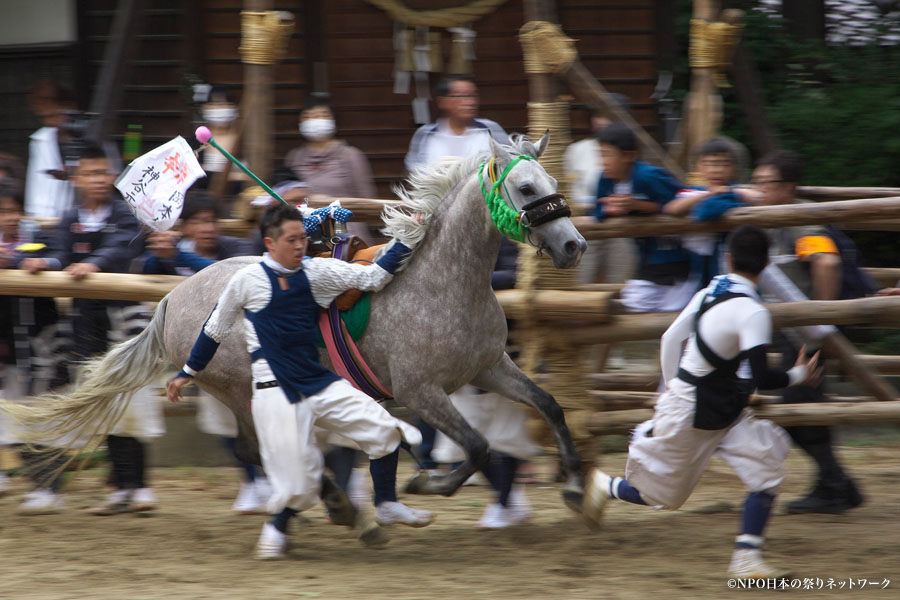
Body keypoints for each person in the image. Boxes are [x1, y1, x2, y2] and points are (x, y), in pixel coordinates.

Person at [166, 203, 425, 560]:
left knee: (385, 429)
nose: (300, 245)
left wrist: (408, 236)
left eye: (303, 238)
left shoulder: (317, 271)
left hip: (320, 384)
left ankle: (387, 503)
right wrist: (187, 374)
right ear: (271, 243)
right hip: (275, 393)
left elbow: (373, 278)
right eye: (292, 240)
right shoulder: (246, 280)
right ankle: (274, 529)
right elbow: (214, 329)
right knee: (298, 487)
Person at [583, 225, 822, 579]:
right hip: (697, 407)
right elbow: (761, 376)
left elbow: (669, 339)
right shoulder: (753, 312)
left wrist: (670, 387)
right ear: (767, 264)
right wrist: (800, 375)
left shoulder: (710, 291)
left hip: (718, 403)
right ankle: (605, 485)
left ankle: (746, 559)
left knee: (766, 471)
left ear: (728, 258)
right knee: (663, 497)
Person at [22, 144, 159, 515]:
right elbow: (62, 255)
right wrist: (44, 262)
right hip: (85, 323)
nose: (98, 180)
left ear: (112, 176)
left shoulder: (125, 214)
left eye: (103, 173)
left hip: (123, 319)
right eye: (90, 173)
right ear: (77, 178)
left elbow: (122, 248)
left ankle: (140, 485)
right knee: (103, 403)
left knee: (130, 399)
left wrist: (94, 265)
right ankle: (120, 488)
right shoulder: (69, 218)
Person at [141, 191, 272, 513]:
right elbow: (146, 269)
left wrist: (179, 257)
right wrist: (159, 254)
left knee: (257, 416)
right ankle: (251, 481)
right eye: (198, 221)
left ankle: (267, 478)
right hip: (201, 357)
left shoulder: (234, 250)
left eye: (211, 220)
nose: (207, 228)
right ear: (184, 227)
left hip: (244, 352)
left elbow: (223, 274)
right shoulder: (174, 252)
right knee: (220, 421)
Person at [752, 150, 864, 515]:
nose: (758, 189)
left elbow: (827, 262)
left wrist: (819, 323)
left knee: (796, 409)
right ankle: (835, 484)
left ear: (786, 186)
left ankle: (836, 485)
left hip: (804, 336)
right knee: (804, 408)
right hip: (793, 333)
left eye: (764, 183)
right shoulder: (776, 218)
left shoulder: (802, 222)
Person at [431, 239, 540, 529]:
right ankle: (508, 498)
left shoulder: (511, 236)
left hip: (505, 347)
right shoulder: (449, 236)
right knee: (461, 441)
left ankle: (503, 503)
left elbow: (519, 273)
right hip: (459, 353)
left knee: (507, 436)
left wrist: (468, 278)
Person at [593, 123, 694, 313]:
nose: (603, 161)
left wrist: (638, 206)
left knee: (676, 310)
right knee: (640, 304)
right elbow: (597, 211)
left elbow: (680, 202)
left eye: (607, 154)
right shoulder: (605, 179)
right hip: (647, 257)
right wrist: (609, 210)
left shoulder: (648, 176)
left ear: (629, 156)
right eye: (600, 154)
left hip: (677, 254)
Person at [563, 97, 637, 285]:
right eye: (598, 116)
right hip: (584, 221)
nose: (602, 121)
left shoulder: (631, 152)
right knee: (581, 279)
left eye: (609, 116)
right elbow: (567, 187)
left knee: (621, 280)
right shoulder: (577, 150)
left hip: (621, 223)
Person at [664, 138, 754, 287]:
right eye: (710, 164)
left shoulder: (734, 192)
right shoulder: (693, 193)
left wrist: (731, 192)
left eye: (724, 164)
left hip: (728, 259)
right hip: (694, 263)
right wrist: (710, 194)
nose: (717, 170)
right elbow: (673, 208)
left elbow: (707, 211)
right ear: (697, 167)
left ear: (734, 168)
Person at [284, 94, 375, 242]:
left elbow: (367, 200)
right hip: (306, 236)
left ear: (333, 120)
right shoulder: (294, 158)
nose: (315, 120)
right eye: (308, 116)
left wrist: (329, 202)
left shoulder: (350, 156)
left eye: (322, 115)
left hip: (346, 235)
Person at [404, 75, 508, 173]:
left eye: (472, 96)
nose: (470, 102)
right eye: (461, 96)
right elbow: (414, 173)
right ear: (442, 101)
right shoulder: (425, 134)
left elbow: (509, 164)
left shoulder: (491, 129)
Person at [24, 81, 77, 218]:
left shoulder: (88, 137)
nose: (48, 122)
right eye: (43, 117)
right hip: (43, 220)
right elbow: (35, 183)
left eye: (53, 115)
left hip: (76, 220)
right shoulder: (39, 140)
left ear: (69, 107)